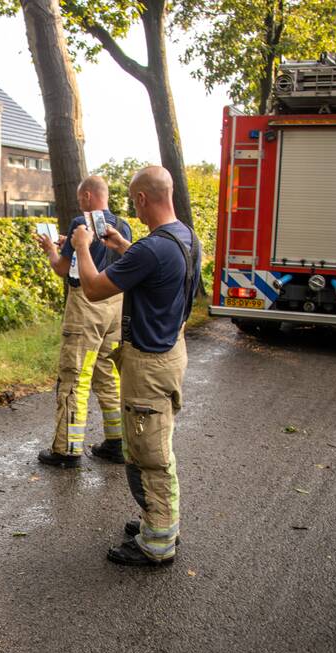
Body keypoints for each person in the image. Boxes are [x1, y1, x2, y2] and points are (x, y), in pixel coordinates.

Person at [71, 166, 201, 567]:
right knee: (156, 441)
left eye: (134, 201)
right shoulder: (184, 238)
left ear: (143, 199)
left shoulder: (152, 248)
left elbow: (93, 289)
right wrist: (124, 246)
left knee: (148, 451)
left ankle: (157, 541)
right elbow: (155, 269)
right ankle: (157, 520)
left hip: (148, 362)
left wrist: (80, 246)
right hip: (172, 351)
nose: (133, 208)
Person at [33, 175, 133, 468]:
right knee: (108, 372)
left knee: (74, 373)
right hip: (115, 303)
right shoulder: (122, 226)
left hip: (86, 306)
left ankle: (67, 449)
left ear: (89, 195)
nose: (79, 202)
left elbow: (63, 269)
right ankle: (117, 442)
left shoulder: (81, 222)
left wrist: (51, 250)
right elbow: (96, 255)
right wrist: (71, 246)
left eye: (80, 197)